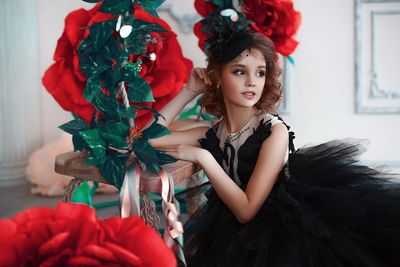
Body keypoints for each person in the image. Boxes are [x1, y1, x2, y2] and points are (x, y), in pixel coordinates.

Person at [147, 28, 400, 266]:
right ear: (217, 77)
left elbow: (247, 210)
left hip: (284, 231)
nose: (251, 82)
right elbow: (149, 138)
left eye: (260, 72)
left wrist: (203, 156)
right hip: (233, 230)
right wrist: (188, 91)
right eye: (239, 71)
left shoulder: (273, 131)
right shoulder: (213, 132)